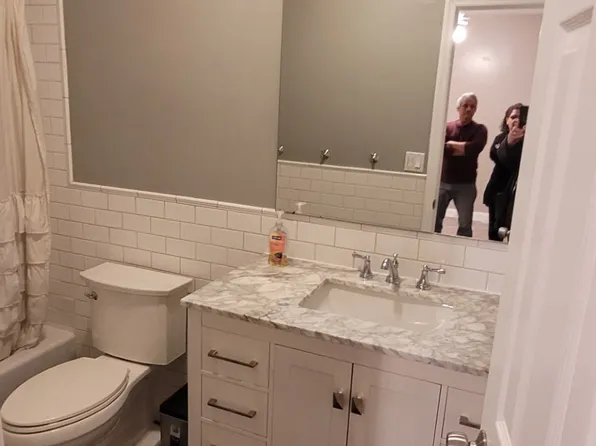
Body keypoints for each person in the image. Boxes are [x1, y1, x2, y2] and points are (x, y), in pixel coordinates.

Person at [435, 93, 488, 237]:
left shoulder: (480, 130)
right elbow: (441, 149)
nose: (469, 109)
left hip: (466, 185)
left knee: (465, 225)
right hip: (442, 183)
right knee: (434, 222)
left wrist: (451, 145)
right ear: (458, 108)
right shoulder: (447, 127)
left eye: (472, 106)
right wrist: (464, 149)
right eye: (465, 105)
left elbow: (474, 149)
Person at [483, 103, 527, 241]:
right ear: (506, 120)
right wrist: (509, 142)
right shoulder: (500, 138)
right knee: (495, 232)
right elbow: (495, 156)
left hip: (520, 194)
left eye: (520, 117)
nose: (516, 120)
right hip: (498, 191)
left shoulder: (531, 141)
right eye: (513, 117)